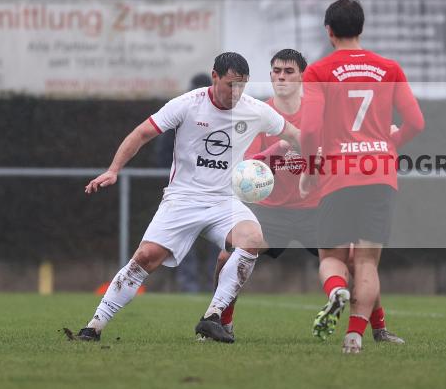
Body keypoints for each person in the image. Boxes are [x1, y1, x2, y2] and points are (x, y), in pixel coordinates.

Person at [74, 52, 300, 343]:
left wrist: (314, 159)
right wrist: (113, 170)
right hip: (182, 198)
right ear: (214, 76)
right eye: (230, 84)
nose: (236, 93)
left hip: (223, 201)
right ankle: (94, 327)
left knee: (252, 239)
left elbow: (295, 135)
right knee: (145, 258)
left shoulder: (255, 110)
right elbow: (142, 133)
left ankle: (213, 317)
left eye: (242, 86)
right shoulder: (187, 104)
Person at [214, 49, 405, 344]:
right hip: (271, 211)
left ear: (303, 77)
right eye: (276, 71)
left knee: (357, 261)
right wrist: (275, 151)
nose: (281, 76)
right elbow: (249, 166)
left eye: (289, 71)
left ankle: (379, 328)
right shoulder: (259, 113)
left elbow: (352, 139)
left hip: (315, 208)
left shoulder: (320, 112)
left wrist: (386, 134)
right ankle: (221, 322)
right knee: (227, 255)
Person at [299, 0, 425, 354]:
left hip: (338, 174)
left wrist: (310, 169)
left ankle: (335, 289)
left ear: (329, 31)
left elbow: (308, 131)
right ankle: (354, 335)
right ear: (362, 28)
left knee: (331, 257)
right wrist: (389, 143)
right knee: (368, 260)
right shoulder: (388, 68)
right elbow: (416, 123)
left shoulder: (319, 72)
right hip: (380, 173)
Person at [155, 73, 216, 293]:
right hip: (185, 194)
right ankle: (188, 285)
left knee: (217, 242)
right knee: (184, 241)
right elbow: (162, 153)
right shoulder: (182, 112)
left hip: (214, 194)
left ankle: (213, 283)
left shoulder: (223, 117)